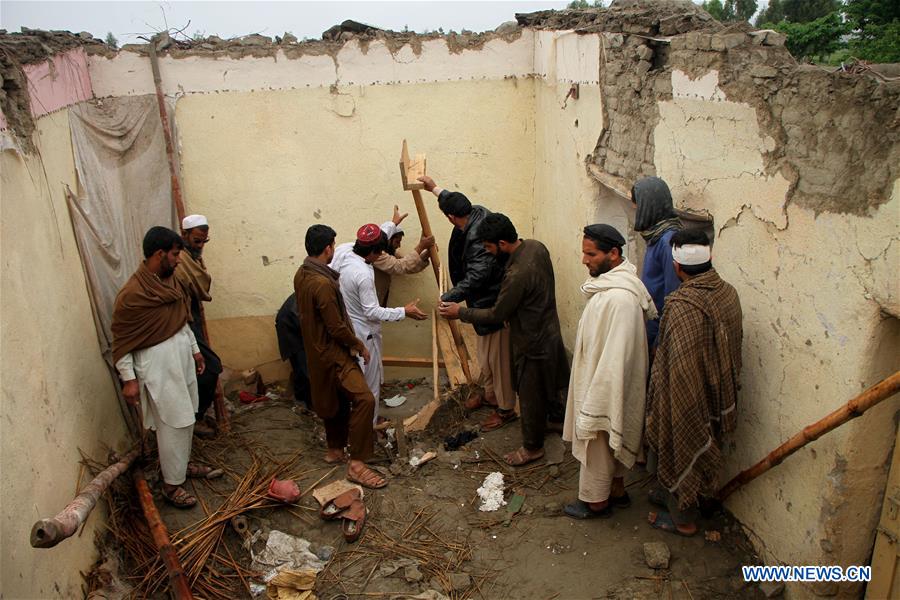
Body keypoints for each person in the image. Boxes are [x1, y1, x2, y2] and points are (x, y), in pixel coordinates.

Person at [439, 213, 569, 466]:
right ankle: (555, 419)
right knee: (550, 382)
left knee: (530, 393)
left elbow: (498, 313)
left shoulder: (517, 274)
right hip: (549, 330)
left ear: (501, 243)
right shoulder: (535, 246)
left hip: (532, 340)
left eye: (489, 247)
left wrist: (460, 312)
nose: (487, 253)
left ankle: (533, 447)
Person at [112, 226, 219, 509]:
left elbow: (182, 321)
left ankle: (181, 467)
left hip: (181, 360)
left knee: (187, 417)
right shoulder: (132, 294)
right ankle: (172, 486)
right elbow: (122, 341)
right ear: (160, 254)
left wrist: (195, 351)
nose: (178, 260)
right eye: (174, 254)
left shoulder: (170, 283)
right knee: (173, 422)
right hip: (157, 368)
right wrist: (129, 379)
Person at [645, 229, 742, 536]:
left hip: (688, 394)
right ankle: (672, 494)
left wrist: (668, 396)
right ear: (710, 257)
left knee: (682, 441)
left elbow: (678, 365)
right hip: (718, 392)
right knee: (697, 443)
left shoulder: (681, 304)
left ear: (676, 266)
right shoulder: (729, 292)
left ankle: (683, 519)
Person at [562, 224, 657, 519]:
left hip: (605, 385)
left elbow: (617, 357)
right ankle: (616, 490)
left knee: (598, 443)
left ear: (613, 254)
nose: (584, 260)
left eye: (591, 254)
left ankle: (595, 502)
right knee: (604, 445)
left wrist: (598, 399)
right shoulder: (610, 287)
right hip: (598, 378)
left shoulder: (621, 299)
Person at [418, 175, 516, 432]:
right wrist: (433, 188)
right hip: (482, 302)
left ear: (451, 217)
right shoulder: (473, 211)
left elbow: (478, 275)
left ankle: (505, 409)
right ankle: (490, 395)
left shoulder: (476, 237)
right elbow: (453, 200)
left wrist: (449, 297)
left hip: (491, 303)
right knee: (486, 358)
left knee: (498, 361)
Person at [294, 224, 386, 488]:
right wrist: (359, 346)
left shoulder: (301, 274)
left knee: (333, 399)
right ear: (328, 248)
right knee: (365, 399)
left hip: (316, 352)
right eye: (333, 245)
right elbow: (336, 326)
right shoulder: (322, 283)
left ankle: (335, 450)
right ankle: (357, 463)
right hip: (333, 354)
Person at [331, 224, 427, 418]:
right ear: (374, 252)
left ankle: (353, 424)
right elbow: (372, 312)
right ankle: (368, 428)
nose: (379, 258)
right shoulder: (364, 274)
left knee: (351, 382)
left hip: (345, 326)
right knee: (369, 387)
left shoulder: (344, 249)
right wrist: (403, 311)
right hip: (363, 334)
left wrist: (392, 224)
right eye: (379, 253)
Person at [174, 214, 223, 438]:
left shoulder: (191, 258)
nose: (201, 246)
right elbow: (199, 284)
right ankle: (194, 419)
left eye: (204, 241)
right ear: (184, 236)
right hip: (181, 322)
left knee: (202, 368)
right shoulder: (180, 260)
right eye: (197, 241)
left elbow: (201, 285)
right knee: (210, 367)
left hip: (189, 317)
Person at [632, 177, 682, 351]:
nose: (635, 210)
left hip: (659, 330)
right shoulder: (655, 236)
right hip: (650, 325)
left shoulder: (668, 241)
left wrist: (660, 342)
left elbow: (673, 295)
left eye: (638, 205)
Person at [373, 205, 435, 307]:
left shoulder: (390, 253)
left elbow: (407, 264)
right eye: (397, 241)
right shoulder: (377, 254)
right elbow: (400, 266)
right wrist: (421, 246)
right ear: (388, 240)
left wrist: (425, 254)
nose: (399, 246)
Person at [274, 293, 311, 409]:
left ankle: (303, 401)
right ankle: (305, 402)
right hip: (291, 336)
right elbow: (299, 319)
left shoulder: (302, 293)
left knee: (301, 369)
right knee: (303, 370)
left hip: (292, 334)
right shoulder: (302, 296)